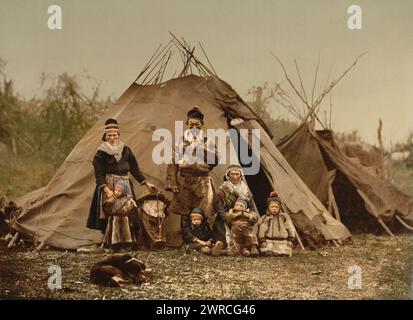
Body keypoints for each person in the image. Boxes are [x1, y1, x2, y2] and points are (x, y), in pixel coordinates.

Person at [87, 118, 158, 251]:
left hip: (124, 185)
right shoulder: (101, 152)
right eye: (109, 135)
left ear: (119, 135)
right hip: (108, 184)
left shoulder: (126, 150)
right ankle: (110, 243)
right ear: (105, 136)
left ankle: (126, 242)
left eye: (115, 135)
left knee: (126, 212)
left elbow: (135, 169)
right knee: (112, 213)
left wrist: (147, 184)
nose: (112, 138)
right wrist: (107, 190)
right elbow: (99, 174)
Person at [165, 107, 219, 243]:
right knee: (184, 211)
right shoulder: (180, 140)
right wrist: (172, 182)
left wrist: (200, 147)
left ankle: (203, 239)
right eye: (191, 124)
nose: (194, 127)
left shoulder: (208, 141)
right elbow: (173, 161)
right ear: (187, 124)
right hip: (184, 179)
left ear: (201, 125)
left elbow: (215, 159)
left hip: (202, 180)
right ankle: (187, 240)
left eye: (197, 125)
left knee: (203, 210)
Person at [213, 164, 256, 247]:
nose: (235, 177)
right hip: (225, 219)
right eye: (232, 174)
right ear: (228, 175)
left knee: (247, 240)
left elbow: (252, 208)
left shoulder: (245, 191)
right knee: (225, 243)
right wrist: (228, 218)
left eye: (237, 174)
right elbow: (219, 208)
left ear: (241, 175)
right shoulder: (222, 190)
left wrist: (249, 216)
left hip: (242, 219)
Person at [257, 191, 295, 257]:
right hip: (269, 241)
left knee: (285, 251)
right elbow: (261, 230)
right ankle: (269, 252)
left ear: (279, 207)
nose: (274, 209)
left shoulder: (284, 217)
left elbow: (290, 228)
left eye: (276, 207)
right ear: (268, 207)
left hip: (282, 241)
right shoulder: (265, 218)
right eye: (272, 207)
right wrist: (262, 241)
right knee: (265, 249)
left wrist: (291, 240)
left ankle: (281, 253)